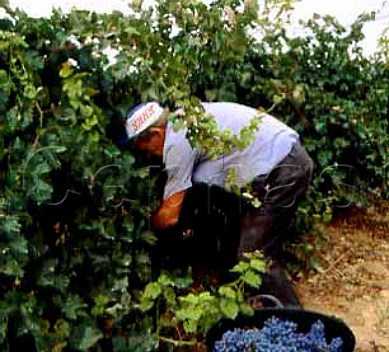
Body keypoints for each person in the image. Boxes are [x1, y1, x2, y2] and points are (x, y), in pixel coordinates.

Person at [124, 101, 314, 307]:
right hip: (282, 163)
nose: (148, 155)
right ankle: (239, 307)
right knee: (236, 231)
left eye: (144, 148)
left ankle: (298, 326)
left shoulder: (177, 142)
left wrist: (145, 231)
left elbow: (170, 216)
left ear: (155, 134)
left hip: (283, 170)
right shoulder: (185, 120)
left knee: (254, 255)